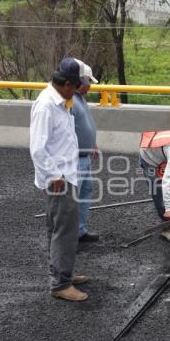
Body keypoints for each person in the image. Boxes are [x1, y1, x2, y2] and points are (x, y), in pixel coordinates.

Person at [30, 57, 93, 302]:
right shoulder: (47, 106)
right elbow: (37, 148)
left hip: (66, 174)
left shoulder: (61, 101)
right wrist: (55, 174)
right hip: (59, 179)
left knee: (57, 229)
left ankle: (61, 272)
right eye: (75, 87)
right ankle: (60, 283)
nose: (76, 92)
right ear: (65, 83)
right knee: (64, 231)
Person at [71, 63, 100, 243]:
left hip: (85, 156)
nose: (90, 85)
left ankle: (80, 231)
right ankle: (69, 238)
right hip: (75, 159)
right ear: (79, 80)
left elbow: (83, 124)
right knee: (72, 199)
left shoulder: (79, 98)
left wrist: (92, 144)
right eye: (88, 81)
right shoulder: (69, 100)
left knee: (85, 192)